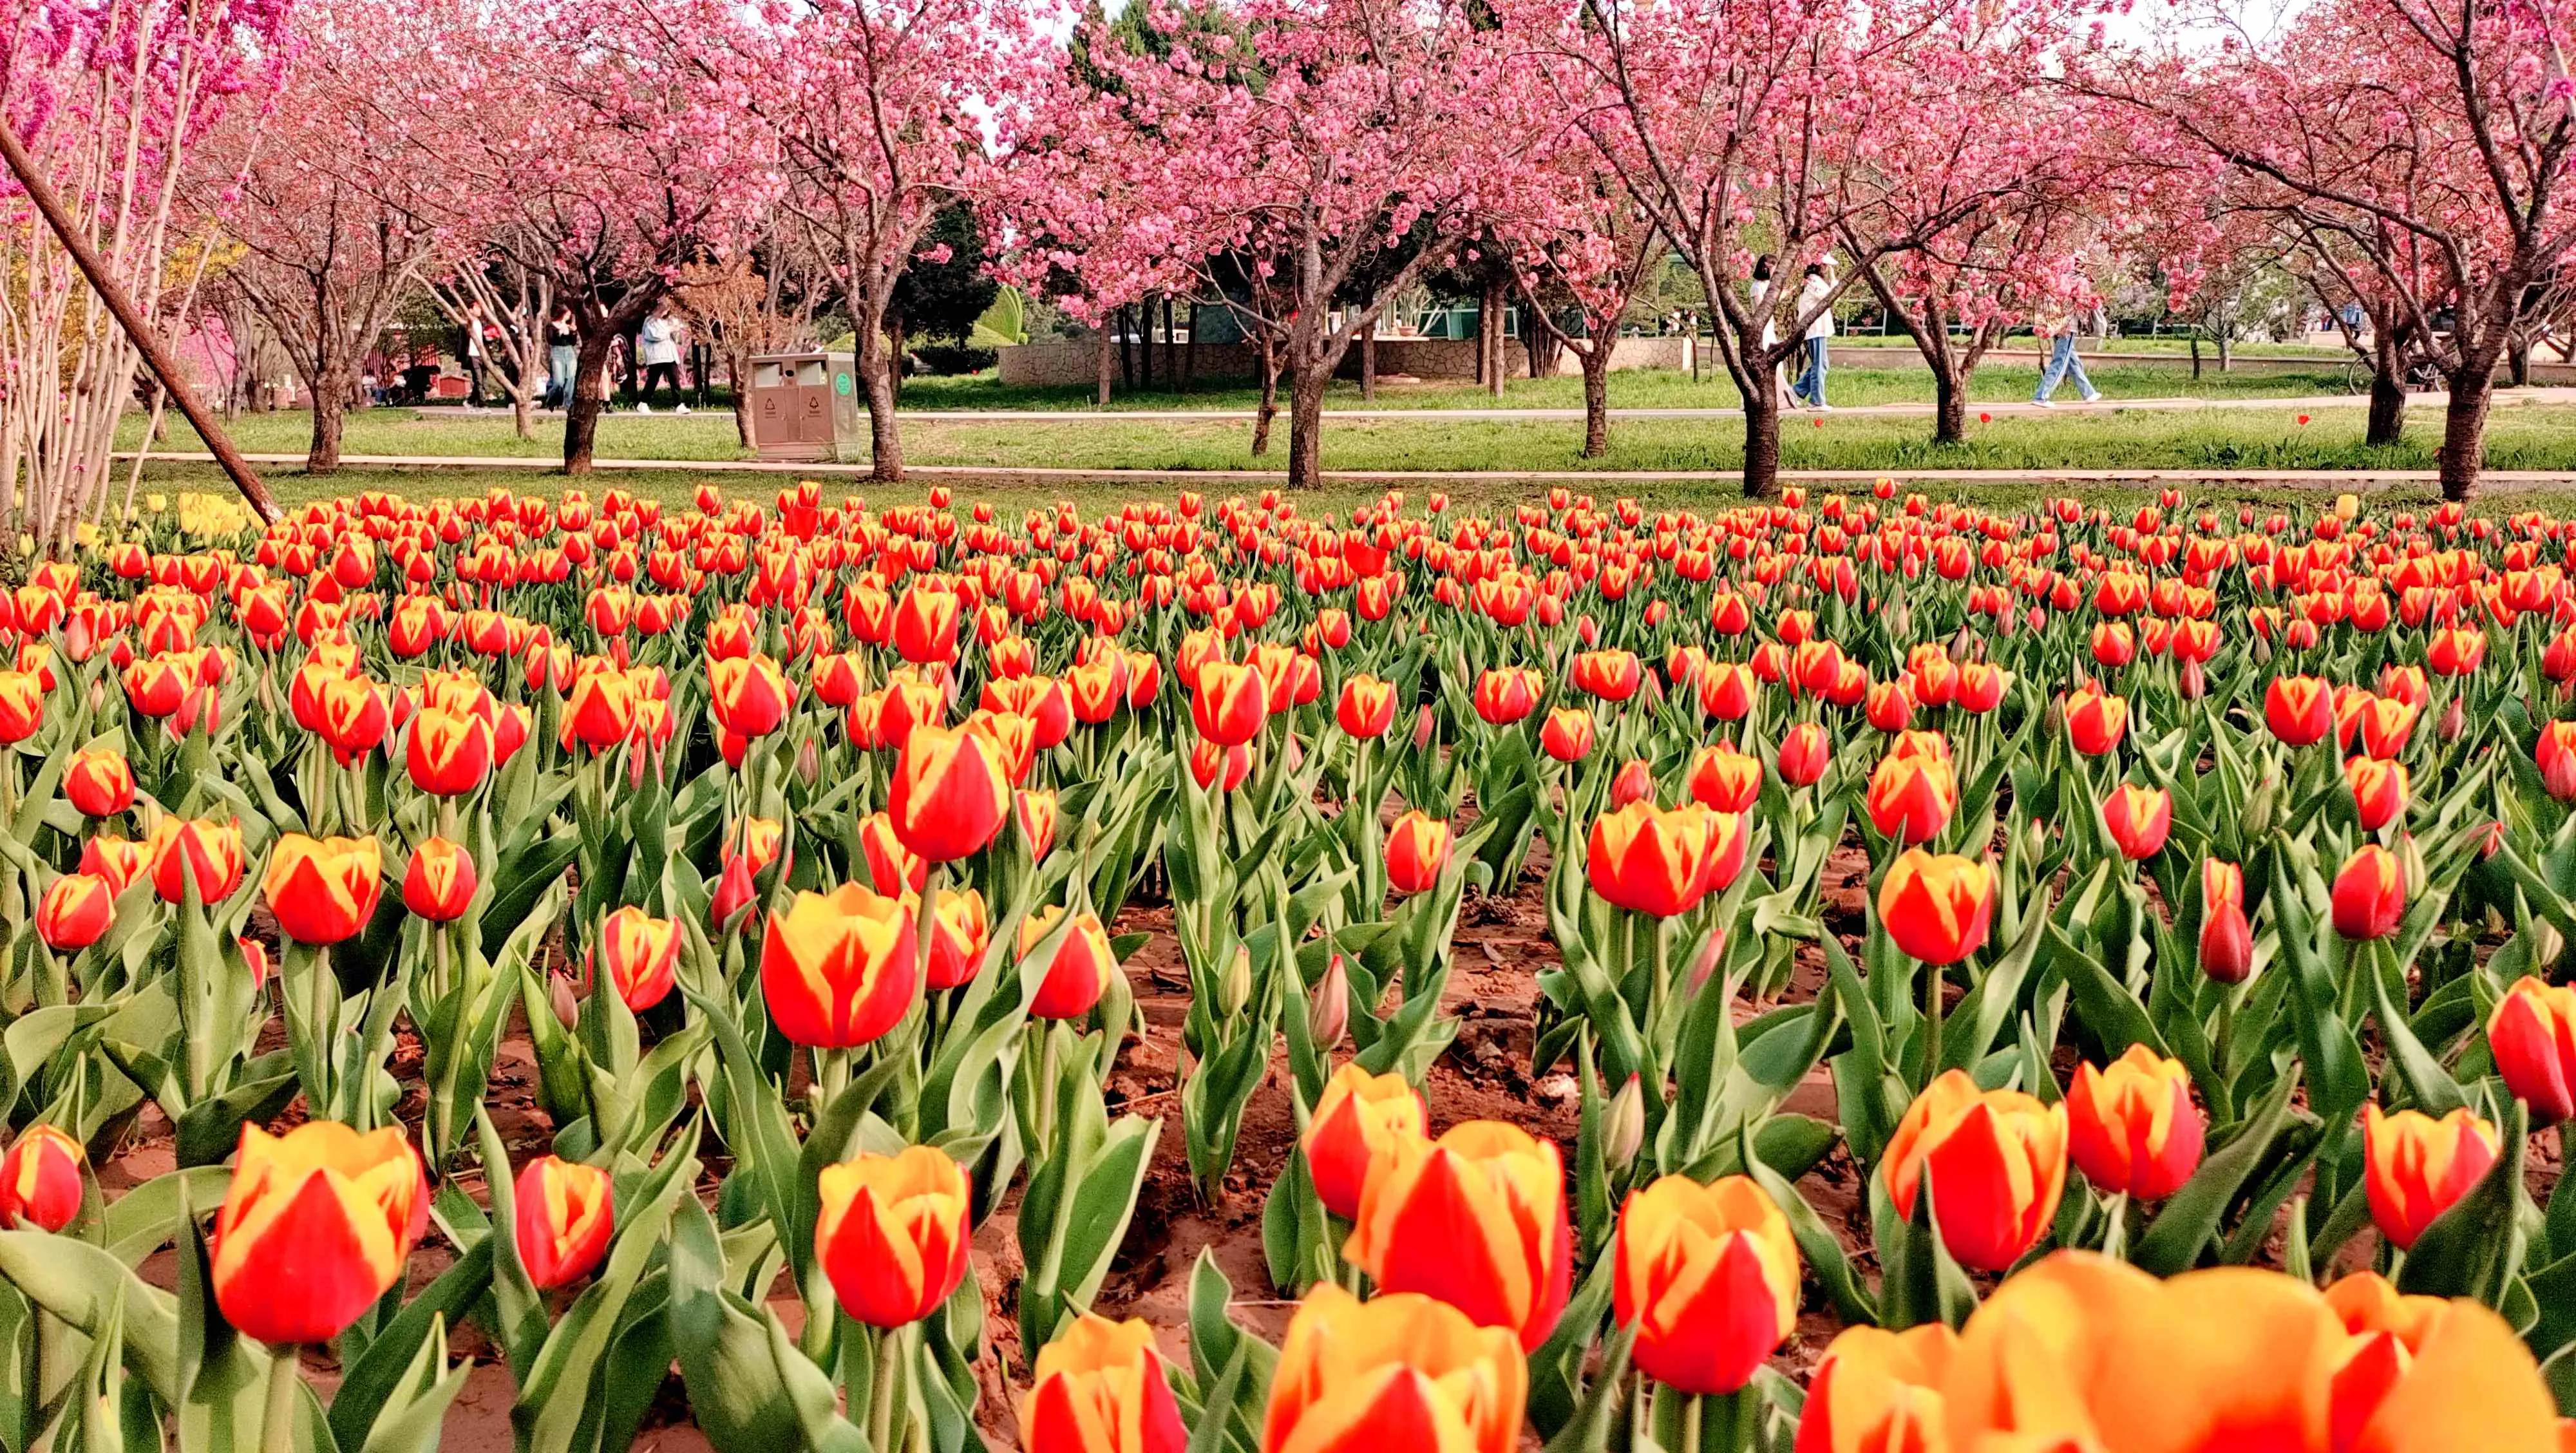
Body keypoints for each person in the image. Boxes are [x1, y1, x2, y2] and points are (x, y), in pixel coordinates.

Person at [2032, 304, 2102, 406]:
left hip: (2057, 323)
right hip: (2067, 326)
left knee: (2073, 362)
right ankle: (2041, 396)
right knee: (2060, 362)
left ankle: (2088, 393)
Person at [1792, 260, 1837, 410]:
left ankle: (1796, 391)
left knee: (1820, 364)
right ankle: (1816, 401)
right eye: (1826, 265)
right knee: (1820, 365)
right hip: (1816, 330)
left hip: (1817, 330)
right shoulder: (1814, 281)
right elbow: (1830, 296)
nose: (1827, 268)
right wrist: (1833, 278)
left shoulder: (1812, 281)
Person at [636, 303, 683, 411]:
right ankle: (643, 403)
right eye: (665, 310)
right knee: (653, 380)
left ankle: (679, 404)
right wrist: (670, 329)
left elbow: (673, 337)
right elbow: (655, 336)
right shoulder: (650, 322)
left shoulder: (663, 322)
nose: (666, 313)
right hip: (657, 357)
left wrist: (676, 330)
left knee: (675, 379)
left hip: (669, 356)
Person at [544, 308, 579, 409]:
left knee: (571, 377)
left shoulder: (568, 326)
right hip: (557, 351)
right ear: (561, 314)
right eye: (566, 315)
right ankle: (552, 399)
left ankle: (569, 403)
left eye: (569, 316)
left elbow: (573, 342)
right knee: (559, 381)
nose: (567, 318)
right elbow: (551, 340)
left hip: (569, 351)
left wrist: (573, 332)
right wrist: (560, 332)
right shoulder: (551, 326)